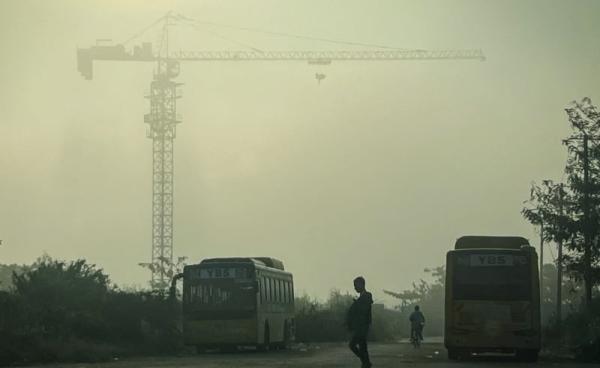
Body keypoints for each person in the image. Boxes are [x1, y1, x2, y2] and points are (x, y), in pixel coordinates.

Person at [346, 276, 373, 368]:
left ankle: (365, 362)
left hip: (363, 326)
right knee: (362, 346)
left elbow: (364, 309)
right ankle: (366, 363)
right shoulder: (362, 297)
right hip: (360, 326)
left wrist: (356, 303)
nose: (355, 288)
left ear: (361, 285)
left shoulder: (367, 295)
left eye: (356, 285)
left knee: (352, 345)